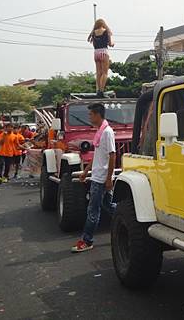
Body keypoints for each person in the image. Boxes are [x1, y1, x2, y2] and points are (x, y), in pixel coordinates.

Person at [71, 103, 116, 253]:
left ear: (97, 115)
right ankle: (130, 222)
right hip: (97, 176)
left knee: (93, 210)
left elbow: (112, 155)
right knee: (108, 206)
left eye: (90, 114)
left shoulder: (107, 132)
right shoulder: (100, 131)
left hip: (101, 178)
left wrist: (109, 179)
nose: (89, 117)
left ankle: (87, 240)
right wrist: (86, 171)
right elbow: (97, 155)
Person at [87, 18, 114, 98]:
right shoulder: (106, 31)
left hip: (96, 53)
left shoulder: (93, 33)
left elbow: (93, 43)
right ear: (103, 24)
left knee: (98, 73)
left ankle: (98, 90)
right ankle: (101, 91)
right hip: (103, 52)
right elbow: (109, 43)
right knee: (105, 73)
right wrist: (112, 44)